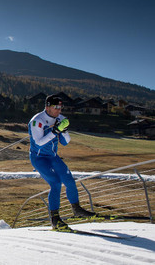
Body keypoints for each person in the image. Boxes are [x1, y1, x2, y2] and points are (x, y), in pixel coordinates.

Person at [28, 94, 95, 230]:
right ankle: (55, 219)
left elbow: (65, 142)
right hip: (39, 158)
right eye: (55, 107)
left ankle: (77, 209)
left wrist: (63, 131)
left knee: (69, 180)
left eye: (60, 107)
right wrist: (54, 131)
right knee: (56, 183)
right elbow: (39, 143)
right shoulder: (37, 121)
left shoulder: (61, 118)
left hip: (53, 156)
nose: (59, 110)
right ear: (47, 107)